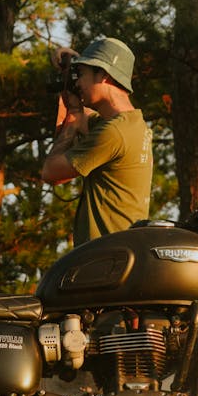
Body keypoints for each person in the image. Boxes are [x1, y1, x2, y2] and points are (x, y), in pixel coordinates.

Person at [41, 36, 153, 245]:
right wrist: (70, 66)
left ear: (103, 75)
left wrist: (73, 114)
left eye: (81, 75)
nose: (78, 82)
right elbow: (83, 120)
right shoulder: (129, 125)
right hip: (120, 252)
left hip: (106, 257)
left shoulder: (113, 133)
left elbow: (51, 172)